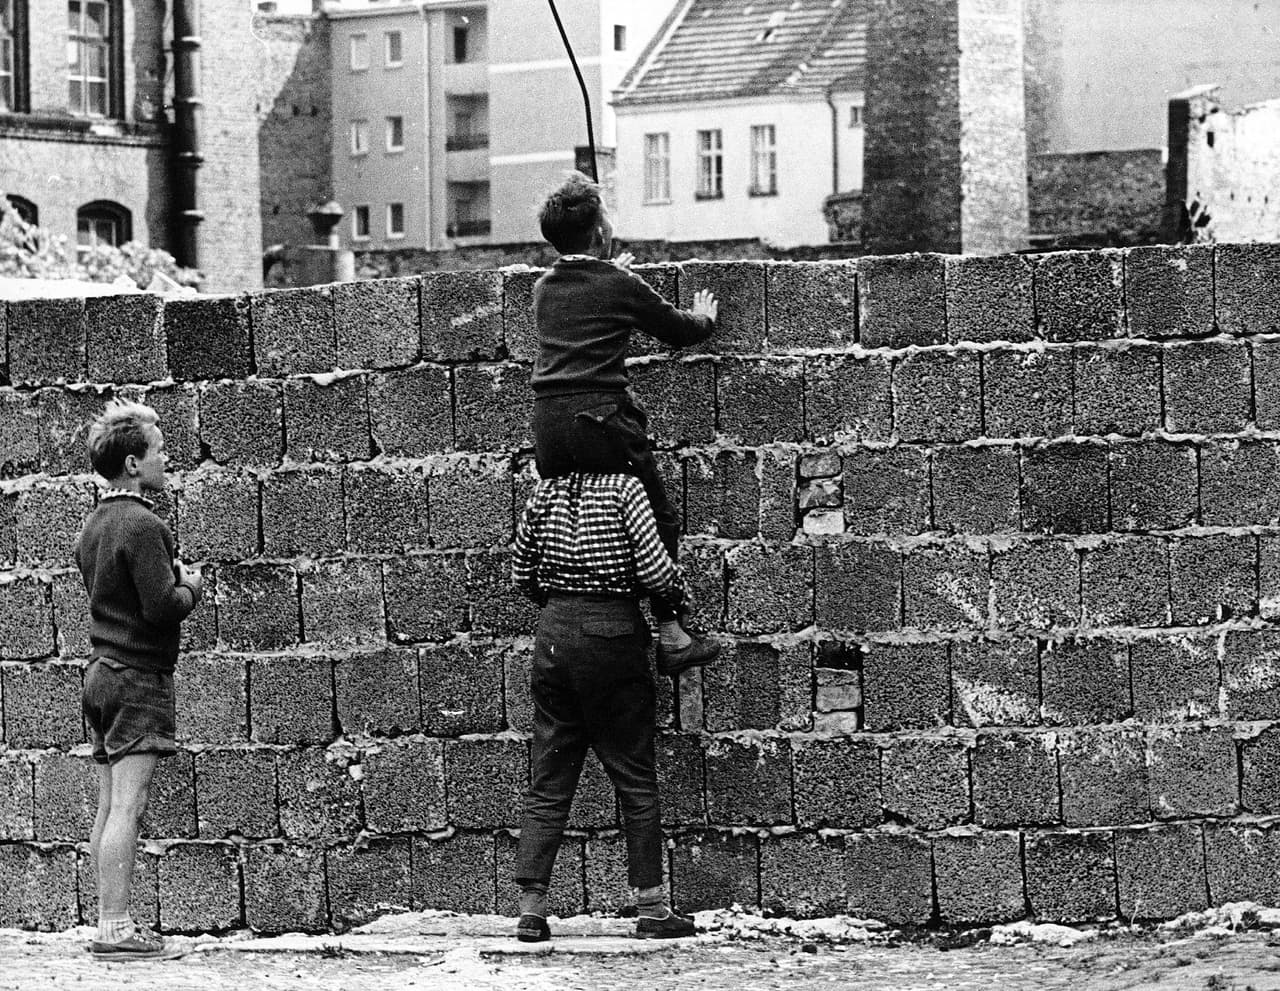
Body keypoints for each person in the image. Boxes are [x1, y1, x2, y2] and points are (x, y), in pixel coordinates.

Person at [532, 170, 719, 675]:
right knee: (659, 520)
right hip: (600, 420)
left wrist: (607, 269)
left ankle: (574, 621)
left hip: (548, 427)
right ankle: (673, 633)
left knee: (572, 517)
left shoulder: (545, 288)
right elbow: (680, 332)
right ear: (599, 232)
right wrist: (704, 317)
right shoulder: (618, 283)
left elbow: (584, 295)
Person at [511, 470, 697, 942]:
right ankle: (651, 908)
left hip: (552, 634)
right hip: (613, 631)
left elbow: (521, 572)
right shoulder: (625, 488)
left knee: (549, 777)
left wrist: (560, 603)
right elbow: (656, 572)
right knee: (634, 774)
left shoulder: (546, 488)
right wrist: (674, 602)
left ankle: (532, 911)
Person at [76, 400, 203, 960]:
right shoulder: (145, 524)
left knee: (108, 803)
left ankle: (106, 926)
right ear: (132, 463)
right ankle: (117, 930)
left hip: (100, 674)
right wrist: (191, 587)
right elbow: (160, 607)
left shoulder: (95, 524)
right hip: (137, 677)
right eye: (158, 450)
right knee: (130, 804)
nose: (166, 456)